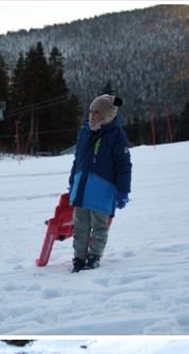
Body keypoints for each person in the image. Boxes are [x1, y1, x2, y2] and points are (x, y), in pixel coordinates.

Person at [67, 94, 132, 272]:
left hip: (102, 189)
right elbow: (77, 160)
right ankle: (78, 258)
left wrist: (123, 191)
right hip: (82, 188)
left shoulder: (116, 136)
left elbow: (124, 165)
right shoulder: (85, 133)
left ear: (107, 116)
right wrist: (72, 181)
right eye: (91, 111)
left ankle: (94, 256)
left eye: (97, 113)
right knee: (80, 227)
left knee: (99, 227)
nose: (92, 115)